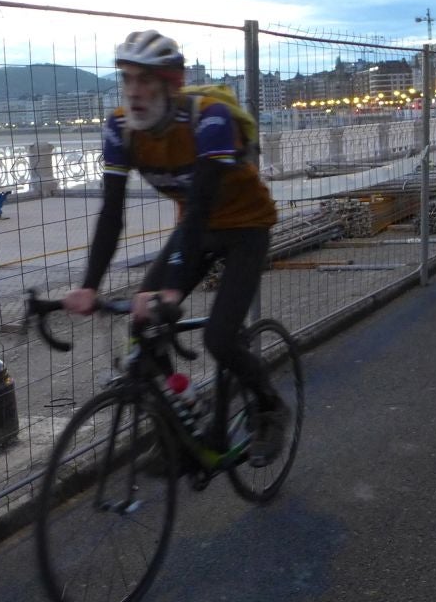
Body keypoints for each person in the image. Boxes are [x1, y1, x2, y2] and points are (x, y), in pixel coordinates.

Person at [63, 29, 289, 462]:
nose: (135, 92)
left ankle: (270, 407)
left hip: (245, 229)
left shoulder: (211, 119)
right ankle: (184, 418)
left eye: (146, 80)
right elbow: (112, 213)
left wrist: (168, 291)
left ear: (173, 84)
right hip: (195, 231)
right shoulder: (120, 129)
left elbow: (202, 200)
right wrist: (89, 285)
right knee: (142, 327)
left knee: (220, 339)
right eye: (127, 79)